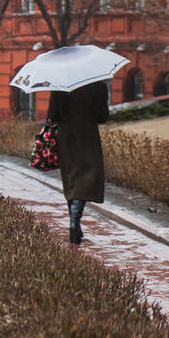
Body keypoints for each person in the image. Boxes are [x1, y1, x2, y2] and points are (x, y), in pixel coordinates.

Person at [46, 80, 110, 244]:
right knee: (88, 175)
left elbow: (52, 114)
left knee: (71, 176)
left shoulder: (59, 84)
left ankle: (74, 221)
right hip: (88, 133)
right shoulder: (98, 84)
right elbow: (103, 116)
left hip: (66, 135)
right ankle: (75, 221)